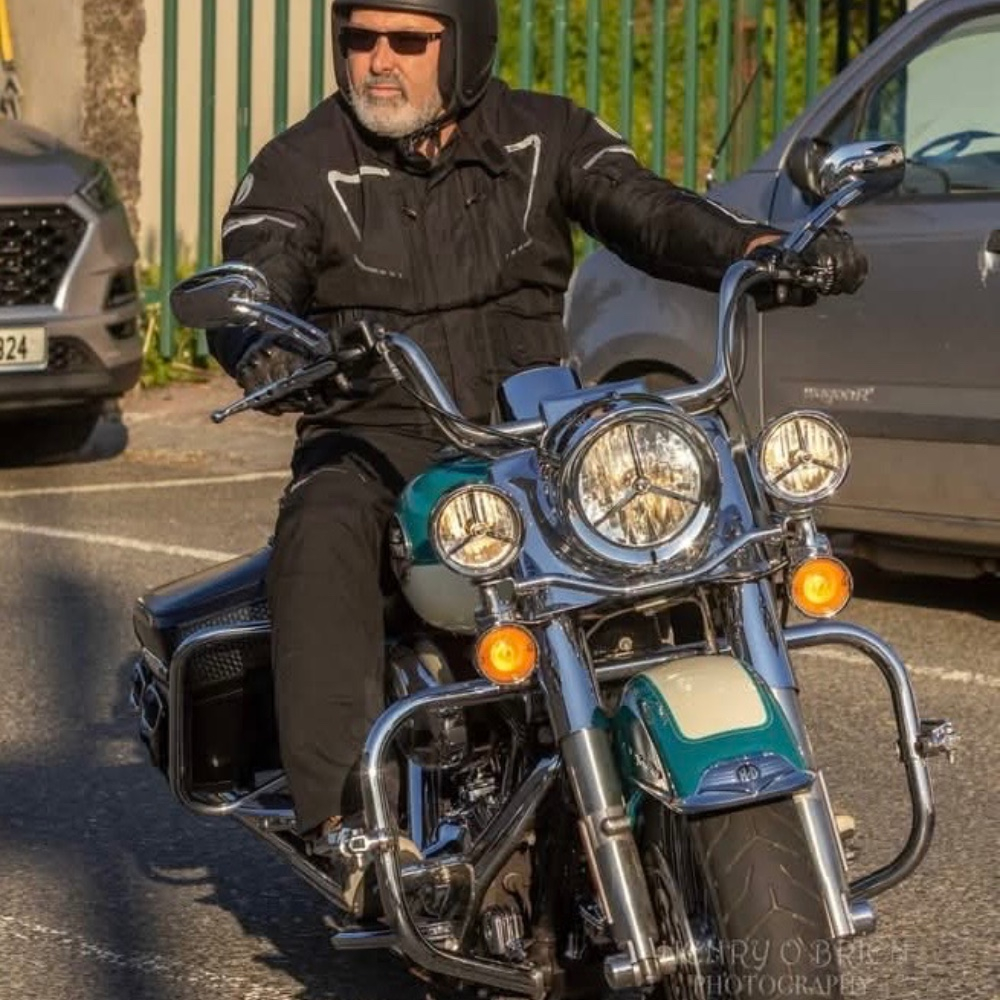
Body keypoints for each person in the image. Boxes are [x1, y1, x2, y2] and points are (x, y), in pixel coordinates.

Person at [209, 0, 866, 854]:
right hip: (379, 427)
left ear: (464, 46)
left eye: (408, 40)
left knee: (694, 507)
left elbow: (645, 208)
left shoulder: (541, 134)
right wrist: (257, 340)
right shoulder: (301, 164)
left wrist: (757, 249)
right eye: (360, 39)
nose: (379, 60)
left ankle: (755, 779)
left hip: (535, 424)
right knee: (321, 528)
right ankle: (349, 819)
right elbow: (253, 267)